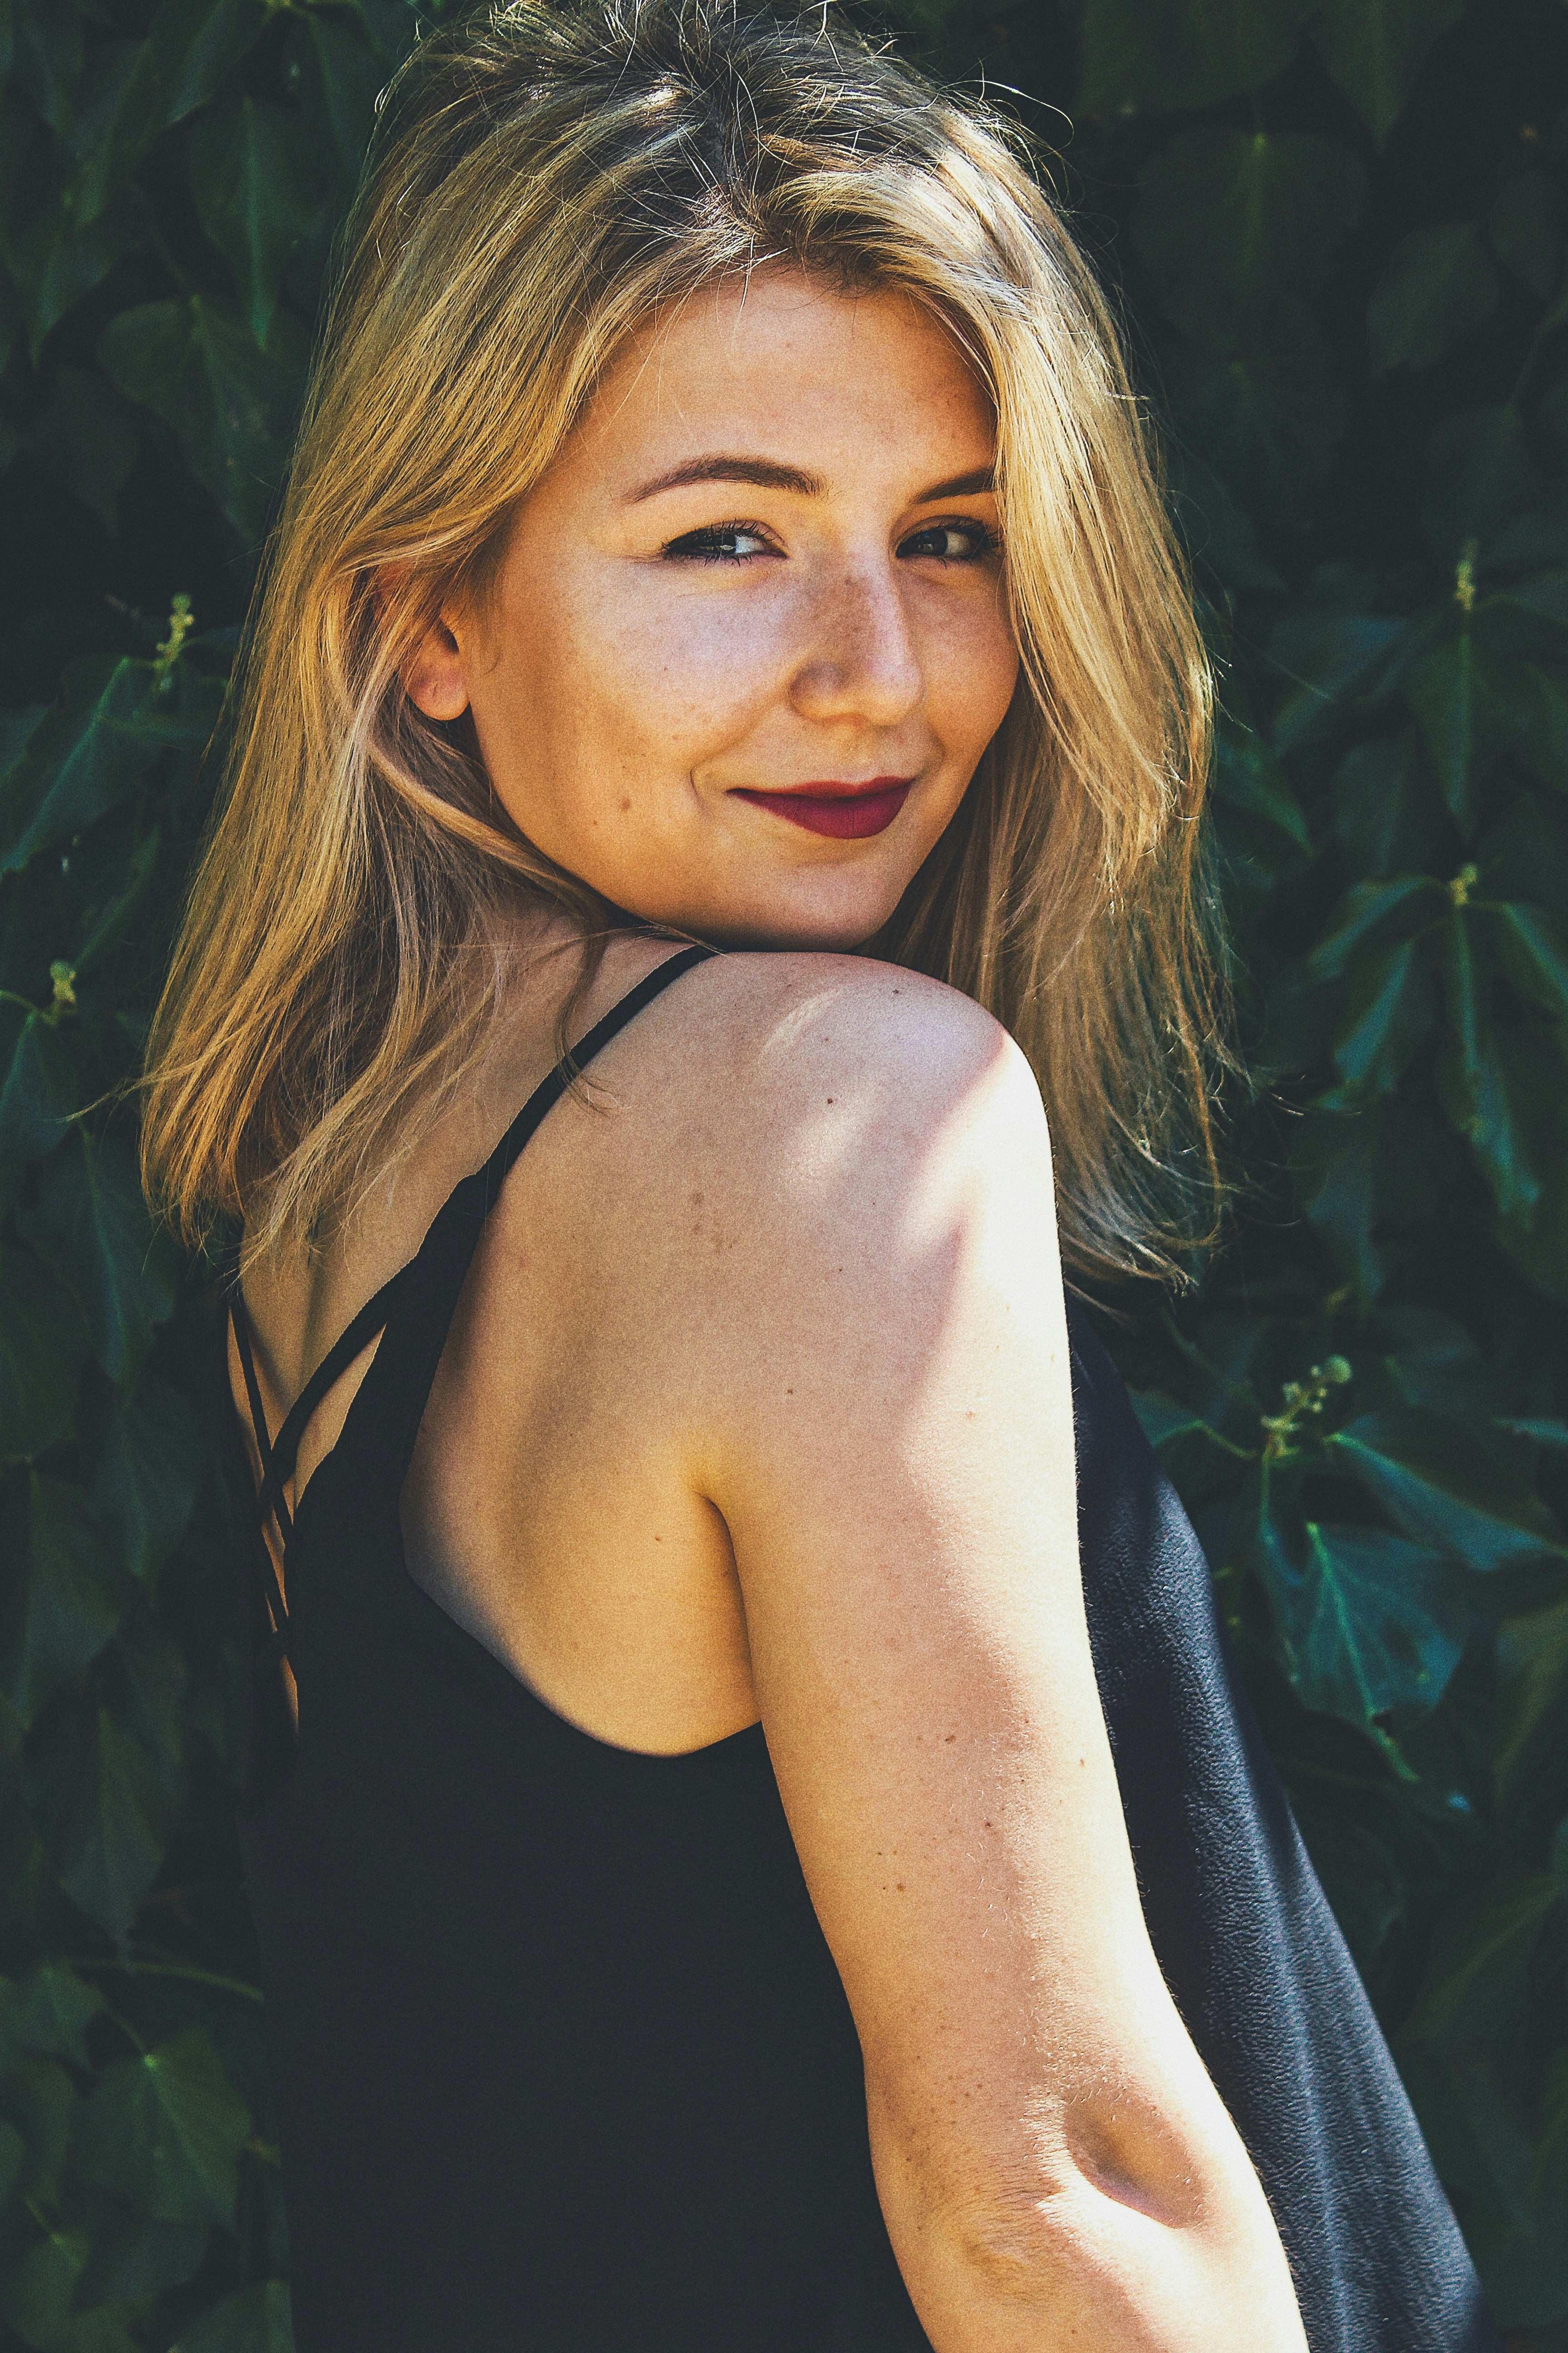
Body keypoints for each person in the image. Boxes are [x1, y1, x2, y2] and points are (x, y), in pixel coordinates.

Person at [140, 3, 1495, 2346]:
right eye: (729, 537)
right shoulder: (834, 1116)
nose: (878, 669)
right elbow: (1056, 2201)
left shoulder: (337, 1165)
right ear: (428, 622)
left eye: (951, 537)